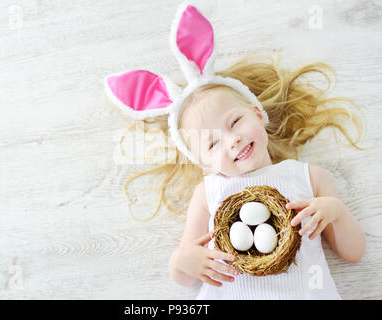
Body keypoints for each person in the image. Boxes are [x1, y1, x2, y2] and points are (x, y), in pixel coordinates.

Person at [104, 1, 366, 299]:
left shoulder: (308, 177)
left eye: (235, 121)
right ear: (203, 163)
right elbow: (185, 274)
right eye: (213, 143)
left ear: (257, 112)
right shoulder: (209, 191)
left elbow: (354, 252)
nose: (232, 141)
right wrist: (183, 261)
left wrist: (336, 211)